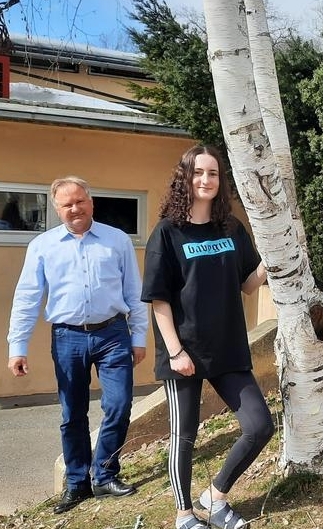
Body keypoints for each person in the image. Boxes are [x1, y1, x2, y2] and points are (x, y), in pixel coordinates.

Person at [142, 145, 274, 529]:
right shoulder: (167, 232)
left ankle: (215, 497)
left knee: (260, 425)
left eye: (213, 173)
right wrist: (175, 351)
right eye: (198, 172)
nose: (205, 180)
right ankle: (184, 514)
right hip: (184, 352)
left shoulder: (231, 228)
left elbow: (249, 284)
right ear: (184, 178)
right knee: (184, 436)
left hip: (227, 348)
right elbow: (159, 300)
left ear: (221, 180)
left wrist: (274, 254)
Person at [7, 176, 147, 514]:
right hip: (67, 337)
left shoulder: (117, 240)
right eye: (66, 204)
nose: (74, 209)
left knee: (119, 405)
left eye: (79, 201)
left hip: (113, 334)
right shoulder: (42, 246)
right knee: (73, 413)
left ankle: (105, 475)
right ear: (57, 209)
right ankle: (76, 482)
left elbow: (135, 291)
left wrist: (139, 336)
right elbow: (27, 298)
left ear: (91, 202)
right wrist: (17, 346)